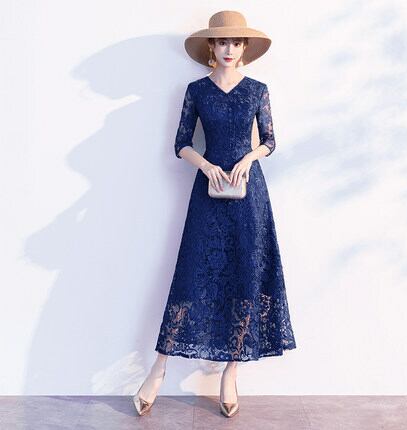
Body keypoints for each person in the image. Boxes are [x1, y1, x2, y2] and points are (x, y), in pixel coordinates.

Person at [133, 10, 297, 418]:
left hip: (248, 196)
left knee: (245, 274)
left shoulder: (257, 90)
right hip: (208, 193)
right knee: (192, 274)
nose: (229, 49)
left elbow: (270, 140)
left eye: (236, 42)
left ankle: (230, 373)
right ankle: (158, 368)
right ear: (212, 46)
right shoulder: (197, 91)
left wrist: (250, 157)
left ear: (244, 48)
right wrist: (206, 165)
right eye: (222, 42)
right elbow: (180, 143)